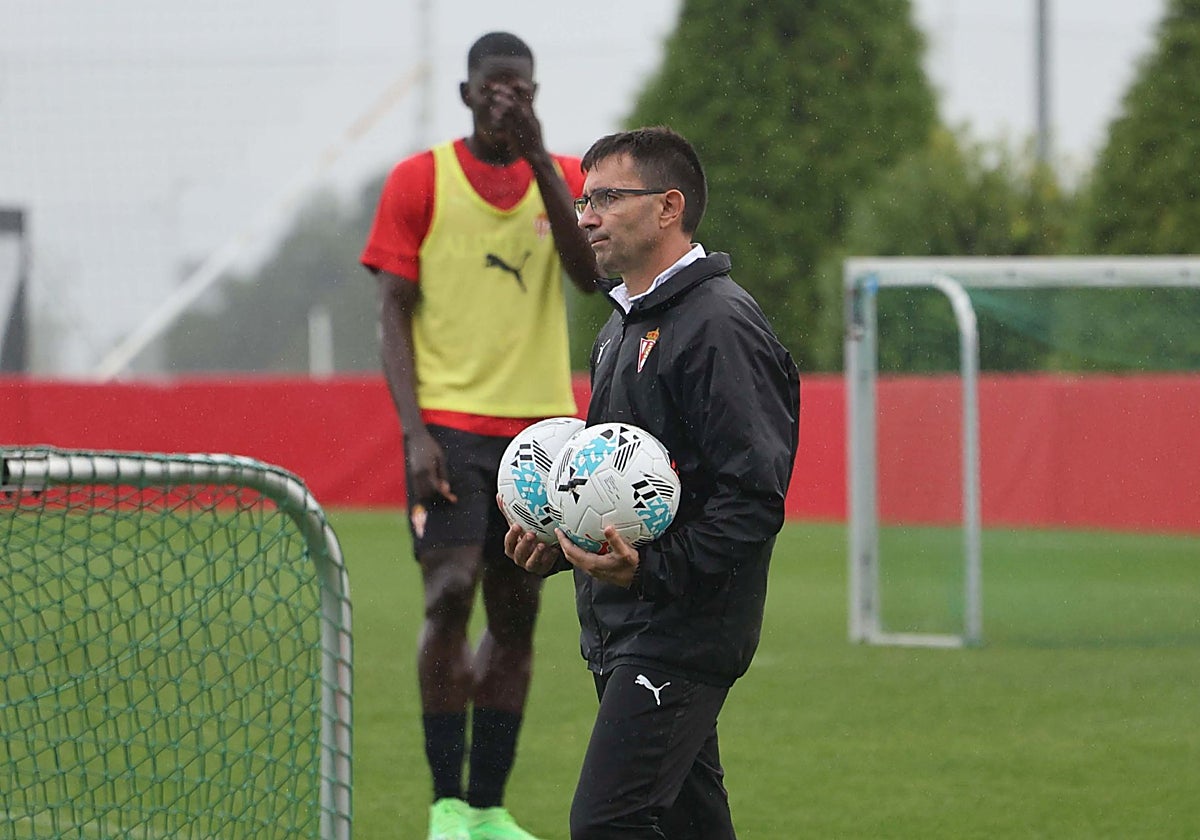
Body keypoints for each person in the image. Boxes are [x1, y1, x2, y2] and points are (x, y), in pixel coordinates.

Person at [504, 126, 801, 839]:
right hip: (627, 621)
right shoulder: (619, 328)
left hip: (682, 629)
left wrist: (650, 571)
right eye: (583, 199)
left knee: (609, 823)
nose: (585, 217)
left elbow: (754, 499)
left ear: (669, 207)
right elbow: (609, 491)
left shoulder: (719, 325)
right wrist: (564, 542)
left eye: (607, 196)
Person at [360, 31, 597, 840]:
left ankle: (490, 808)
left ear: (534, 95)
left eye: (521, 90)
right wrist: (413, 432)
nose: (506, 101)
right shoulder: (419, 180)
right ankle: (445, 804)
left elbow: (588, 272)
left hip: (539, 433)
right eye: (493, 89)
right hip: (449, 430)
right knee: (450, 590)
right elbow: (392, 310)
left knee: (517, 609)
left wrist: (536, 160)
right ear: (467, 95)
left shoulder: (565, 179)